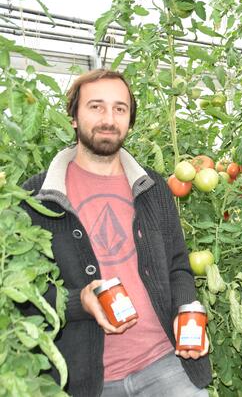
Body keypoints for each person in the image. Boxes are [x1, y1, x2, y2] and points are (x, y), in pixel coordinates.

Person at [21, 69, 212, 396]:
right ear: (74, 119)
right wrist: (78, 302)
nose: (108, 118)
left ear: (130, 121)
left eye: (119, 109)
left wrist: (185, 312)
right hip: (86, 379)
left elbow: (178, 266)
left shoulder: (152, 188)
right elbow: (24, 292)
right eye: (96, 107)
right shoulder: (37, 197)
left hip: (163, 362)